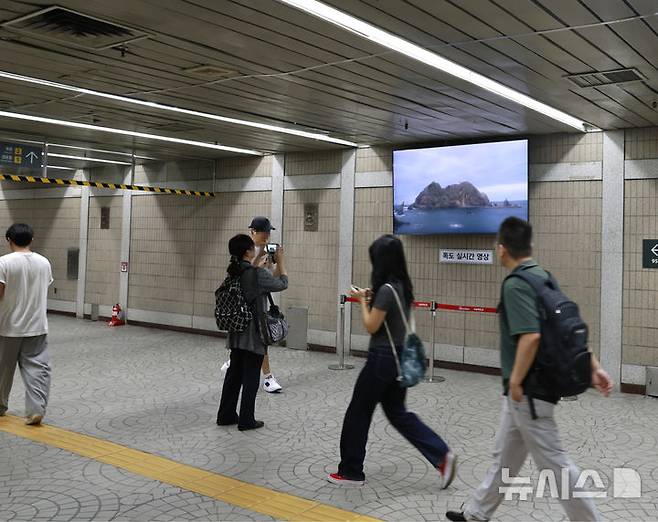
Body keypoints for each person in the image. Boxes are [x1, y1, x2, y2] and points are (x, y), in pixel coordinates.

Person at [446, 217, 613, 522]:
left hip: (529, 391)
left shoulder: (515, 284)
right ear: (531, 246)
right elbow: (565, 328)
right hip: (527, 392)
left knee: (556, 463)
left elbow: (531, 336)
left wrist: (516, 382)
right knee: (504, 457)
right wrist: (594, 366)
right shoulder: (543, 276)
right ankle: (476, 513)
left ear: (501, 250)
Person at [328, 234, 456, 488]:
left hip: (381, 359)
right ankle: (442, 455)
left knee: (358, 412)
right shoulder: (402, 287)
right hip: (398, 359)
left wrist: (364, 302)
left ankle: (351, 471)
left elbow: (371, 325)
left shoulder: (386, 290)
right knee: (398, 413)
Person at [216, 234, 288, 431]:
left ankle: (226, 414)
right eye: (253, 248)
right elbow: (282, 284)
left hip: (235, 331)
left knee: (234, 374)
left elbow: (251, 274)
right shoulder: (257, 275)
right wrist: (280, 262)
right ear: (248, 251)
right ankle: (246, 419)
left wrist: (260, 261)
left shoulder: (233, 271)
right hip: (253, 333)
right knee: (251, 375)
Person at [221, 217, 284, 394]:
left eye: (269, 231)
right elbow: (246, 273)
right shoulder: (244, 249)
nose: (267, 235)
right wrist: (259, 263)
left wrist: (277, 262)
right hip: (244, 307)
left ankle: (239, 364)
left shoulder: (267, 251)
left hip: (259, 304)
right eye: (264, 231)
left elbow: (273, 278)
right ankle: (267, 377)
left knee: (253, 344)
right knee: (255, 344)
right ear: (253, 232)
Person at [0, 223, 53, 426]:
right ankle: (36, 410)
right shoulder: (44, 262)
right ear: (31, 240)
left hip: (8, 326)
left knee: (3, 370)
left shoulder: (4, 262)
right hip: (37, 325)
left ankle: (0, 406)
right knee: (38, 370)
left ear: (9, 240)